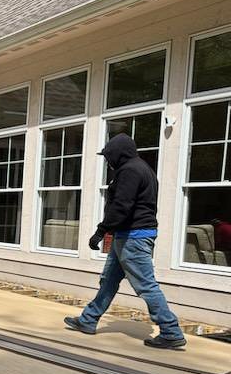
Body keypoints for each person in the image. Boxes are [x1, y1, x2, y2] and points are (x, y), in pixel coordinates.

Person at [64, 134, 186, 349]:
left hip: (134, 238)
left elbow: (122, 206)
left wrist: (100, 232)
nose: (107, 161)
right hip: (127, 236)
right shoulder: (142, 168)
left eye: (108, 157)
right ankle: (88, 319)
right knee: (108, 281)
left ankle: (170, 331)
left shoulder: (130, 170)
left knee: (146, 285)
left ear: (117, 154)